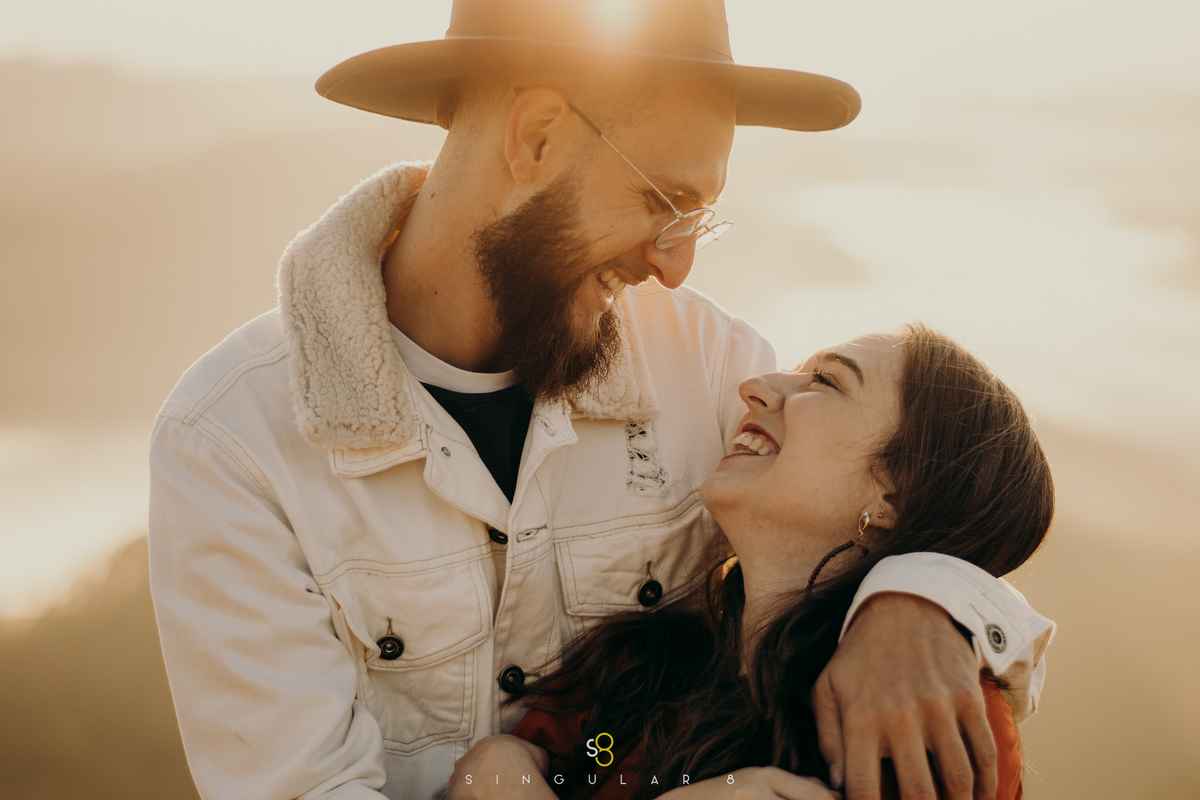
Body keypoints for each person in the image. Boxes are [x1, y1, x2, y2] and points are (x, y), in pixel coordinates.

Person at [147, 2, 1054, 799]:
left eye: (698, 218)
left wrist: (912, 600)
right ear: (535, 138)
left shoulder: (710, 368)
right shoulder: (232, 443)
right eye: (665, 200)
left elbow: (881, 511)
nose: (675, 264)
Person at [448, 325, 1049, 800]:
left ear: (892, 496)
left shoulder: (915, 722)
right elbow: (568, 766)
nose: (758, 385)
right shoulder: (639, 676)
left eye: (827, 383)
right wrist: (494, 764)